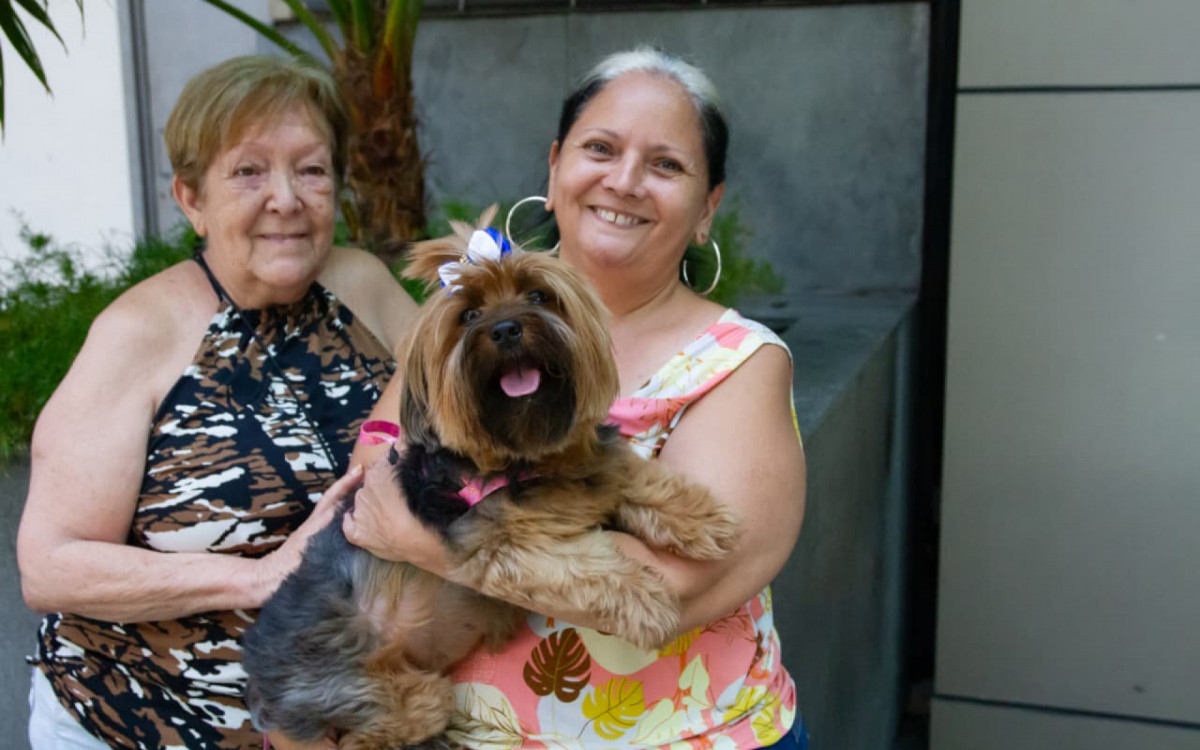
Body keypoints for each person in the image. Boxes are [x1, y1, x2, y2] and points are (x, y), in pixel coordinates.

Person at [345, 47, 808, 750]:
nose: (624, 182)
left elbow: (679, 588)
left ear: (708, 207)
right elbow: (376, 464)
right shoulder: (463, 314)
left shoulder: (737, 363)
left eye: (666, 165)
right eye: (601, 148)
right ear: (556, 165)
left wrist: (438, 547)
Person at [16, 55, 419, 750]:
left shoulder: (364, 286)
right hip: (135, 722)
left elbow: (452, 410)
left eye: (311, 169)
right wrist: (256, 576)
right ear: (190, 199)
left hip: (332, 725)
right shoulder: (140, 333)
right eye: (249, 171)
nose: (287, 199)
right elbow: (50, 563)